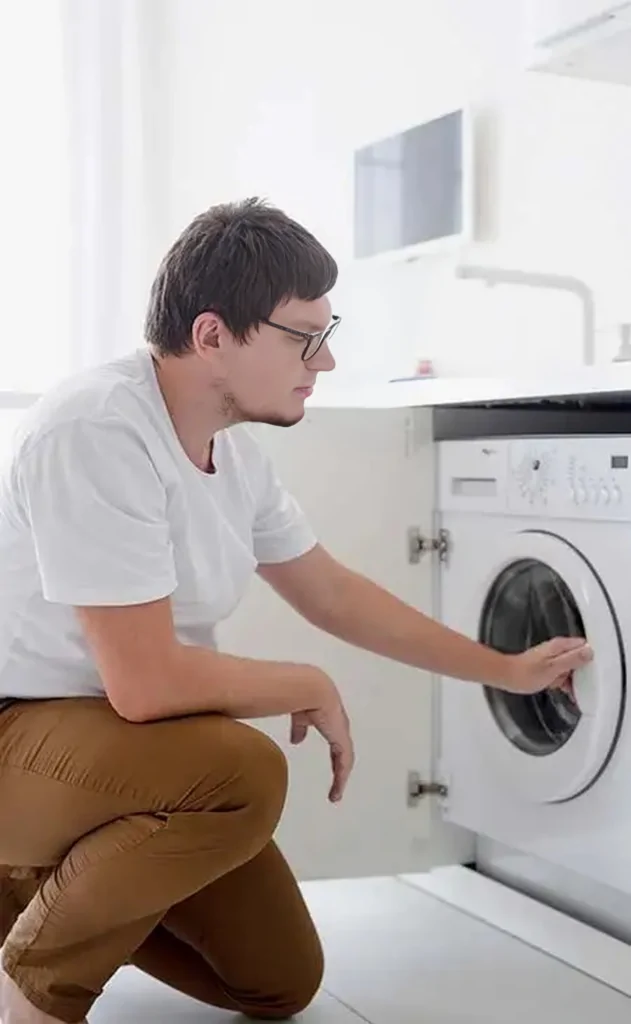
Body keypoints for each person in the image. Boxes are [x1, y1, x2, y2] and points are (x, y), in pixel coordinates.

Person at [0, 198, 592, 1024]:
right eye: (303, 337)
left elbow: (332, 592)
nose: (327, 360)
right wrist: (301, 682)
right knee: (243, 771)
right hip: (23, 734)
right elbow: (141, 683)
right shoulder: (95, 429)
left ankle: (30, 894)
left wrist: (506, 669)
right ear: (212, 335)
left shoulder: (233, 457)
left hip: (126, 753)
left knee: (277, 983)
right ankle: (29, 994)